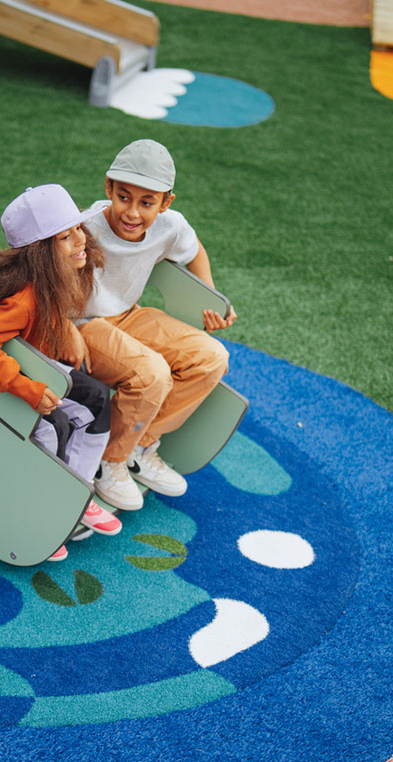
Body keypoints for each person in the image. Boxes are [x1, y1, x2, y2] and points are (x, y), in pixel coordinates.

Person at [0, 184, 123, 562]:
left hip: (31, 366)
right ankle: (38, 510)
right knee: (52, 425)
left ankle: (75, 494)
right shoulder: (23, 300)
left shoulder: (54, 282)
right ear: (40, 253)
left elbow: (46, 324)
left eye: (78, 228)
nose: (80, 239)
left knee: (97, 397)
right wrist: (25, 387)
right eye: (65, 236)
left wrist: (67, 329)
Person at [70, 140, 237, 511]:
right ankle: (109, 460)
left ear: (165, 203)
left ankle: (140, 446)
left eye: (147, 203)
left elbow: (195, 250)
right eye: (123, 197)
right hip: (83, 323)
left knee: (212, 357)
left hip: (128, 315)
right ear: (108, 188)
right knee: (153, 373)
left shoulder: (170, 226)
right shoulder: (85, 227)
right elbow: (48, 271)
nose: (132, 212)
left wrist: (210, 297)